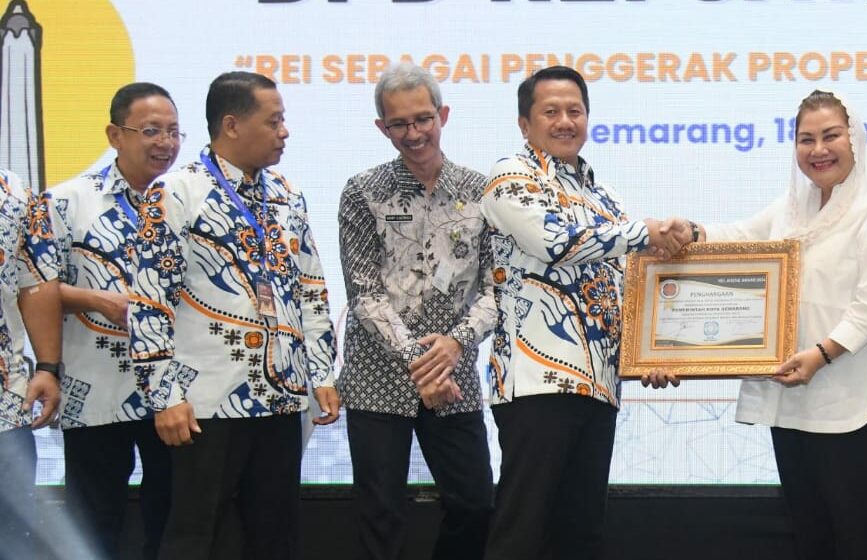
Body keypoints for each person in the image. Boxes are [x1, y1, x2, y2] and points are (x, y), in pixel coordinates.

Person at [643, 90, 867, 559]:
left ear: (855, 139)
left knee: (859, 541)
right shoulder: (797, 206)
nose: (819, 150)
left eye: (831, 136)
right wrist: (690, 233)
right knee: (812, 539)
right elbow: (742, 238)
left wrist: (824, 353)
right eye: (806, 139)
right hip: (794, 400)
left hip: (853, 402)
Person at [127, 71, 340, 560]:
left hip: (282, 397)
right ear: (232, 124)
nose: (284, 131)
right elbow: (150, 300)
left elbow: (310, 288)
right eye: (274, 121)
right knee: (197, 535)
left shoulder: (285, 193)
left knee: (276, 534)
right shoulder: (175, 193)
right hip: (207, 403)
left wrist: (322, 373)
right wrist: (165, 396)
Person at [475, 65, 685, 559]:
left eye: (575, 110)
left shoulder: (602, 196)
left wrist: (649, 356)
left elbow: (625, 289)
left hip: (599, 387)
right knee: (523, 531)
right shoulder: (511, 177)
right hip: (538, 385)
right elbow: (555, 242)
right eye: (551, 111)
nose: (565, 121)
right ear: (525, 124)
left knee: (581, 534)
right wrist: (647, 232)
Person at [337, 62, 495, 560]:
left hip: (454, 370)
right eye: (399, 124)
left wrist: (455, 343)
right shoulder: (362, 191)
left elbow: (497, 289)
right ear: (382, 127)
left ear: (442, 116)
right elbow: (363, 292)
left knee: (476, 503)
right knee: (380, 516)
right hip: (378, 374)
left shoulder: (482, 192)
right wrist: (418, 360)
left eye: (423, 119)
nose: (413, 133)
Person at [30, 82, 179, 560]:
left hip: (174, 392)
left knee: (173, 519)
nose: (165, 143)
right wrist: (95, 300)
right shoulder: (66, 201)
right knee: (94, 522)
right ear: (115, 135)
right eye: (151, 131)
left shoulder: (187, 201)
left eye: (174, 131)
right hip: (94, 389)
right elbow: (33, 287)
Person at [0, 168, 61, 560]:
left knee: (11, 537)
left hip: (5, 406)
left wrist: (48, 367)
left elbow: (36, 284)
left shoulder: (15, 193)